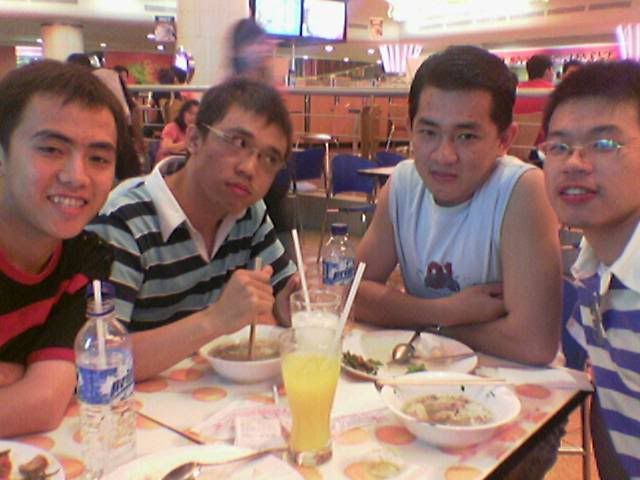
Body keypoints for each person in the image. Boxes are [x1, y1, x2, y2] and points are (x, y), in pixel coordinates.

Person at [355, 45, 562, 366]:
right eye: (429, 132)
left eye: (466, 137)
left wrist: (423, 322)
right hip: (421, 375)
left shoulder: (520, 190)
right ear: (410, 130)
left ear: (505, 140)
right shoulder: (403, 183)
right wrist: (445, 312)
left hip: (511, 381)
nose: (444, 155)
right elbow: (353, 293)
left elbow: (533, 344)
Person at [87, 77, 298, 381]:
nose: (250, 168)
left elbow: (283, 292)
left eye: (270, 158)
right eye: (239, 143)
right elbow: (97, 358)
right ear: (195, 139)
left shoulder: (248, 212)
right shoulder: (123, 220)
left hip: (208, 393)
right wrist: (215, 320)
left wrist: (294, 304)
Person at [0, 60, 125, 437]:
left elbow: (44, 402)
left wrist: (25, 380)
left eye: (98, 158)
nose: (77, 176)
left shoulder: (86, 259)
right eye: (52, 149)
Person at [541, 60, 640, 479]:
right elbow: (612, 401)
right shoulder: (594, 264)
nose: (574, 163)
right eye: (559, 147)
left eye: (603, 144)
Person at [155, 99, 199, 164]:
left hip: (186, 163)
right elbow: (166, 147)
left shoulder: (198, 131)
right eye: (190, 113)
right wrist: (188, 143)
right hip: (167, 164)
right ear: (183, 113)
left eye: (196, 114)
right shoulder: (171, 127)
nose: (193, 117)